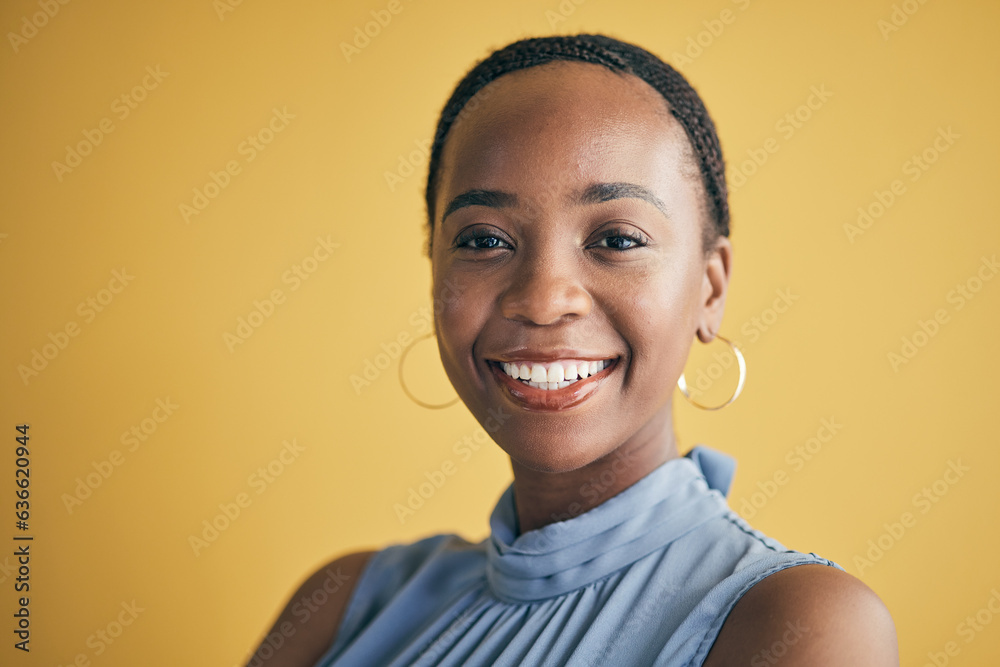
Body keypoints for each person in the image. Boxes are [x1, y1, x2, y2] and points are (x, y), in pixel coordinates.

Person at [247, 33, 899, 666]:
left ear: (709, 288)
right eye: (483, 239)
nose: (542, 297)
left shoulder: (795, 621)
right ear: (434, 271)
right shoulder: (346, 604)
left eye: (617, 238)